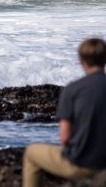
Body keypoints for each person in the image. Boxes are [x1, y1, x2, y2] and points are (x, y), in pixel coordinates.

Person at [22, 38, 106, 187]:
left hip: (80, 163)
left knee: (31, 153)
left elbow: (64, 137)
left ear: (81, 61)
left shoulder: (73, 89)